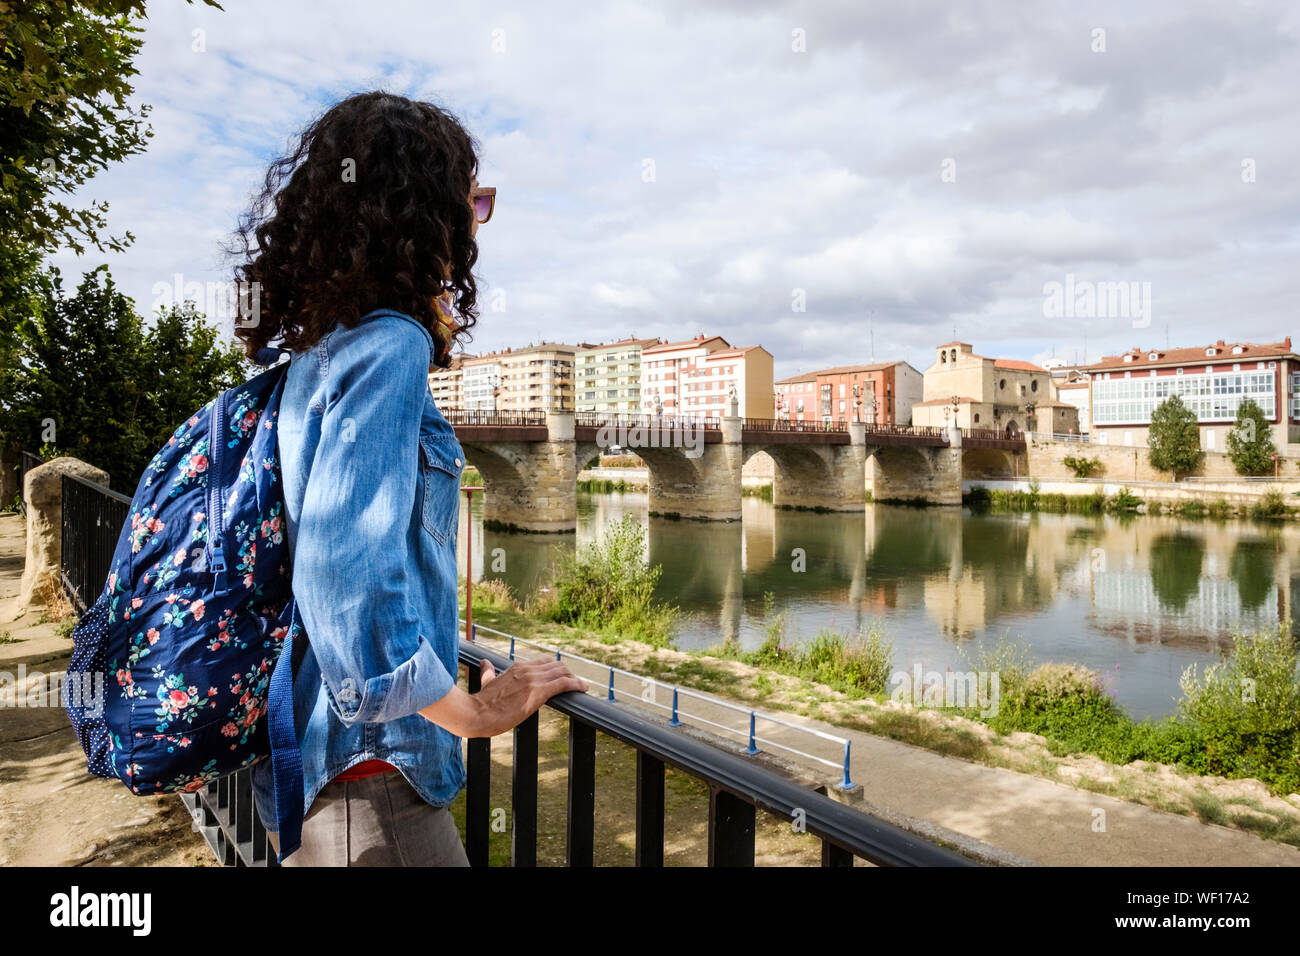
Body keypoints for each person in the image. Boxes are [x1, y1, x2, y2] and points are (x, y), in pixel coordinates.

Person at [231, 91, 585, 866]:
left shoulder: (321, 354)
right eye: (473, 202)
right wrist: (469, 710)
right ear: (425, 212)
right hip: (373, 778)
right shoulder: (391, 345)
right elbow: (343, 569)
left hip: (313, 763)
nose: (475, 224)